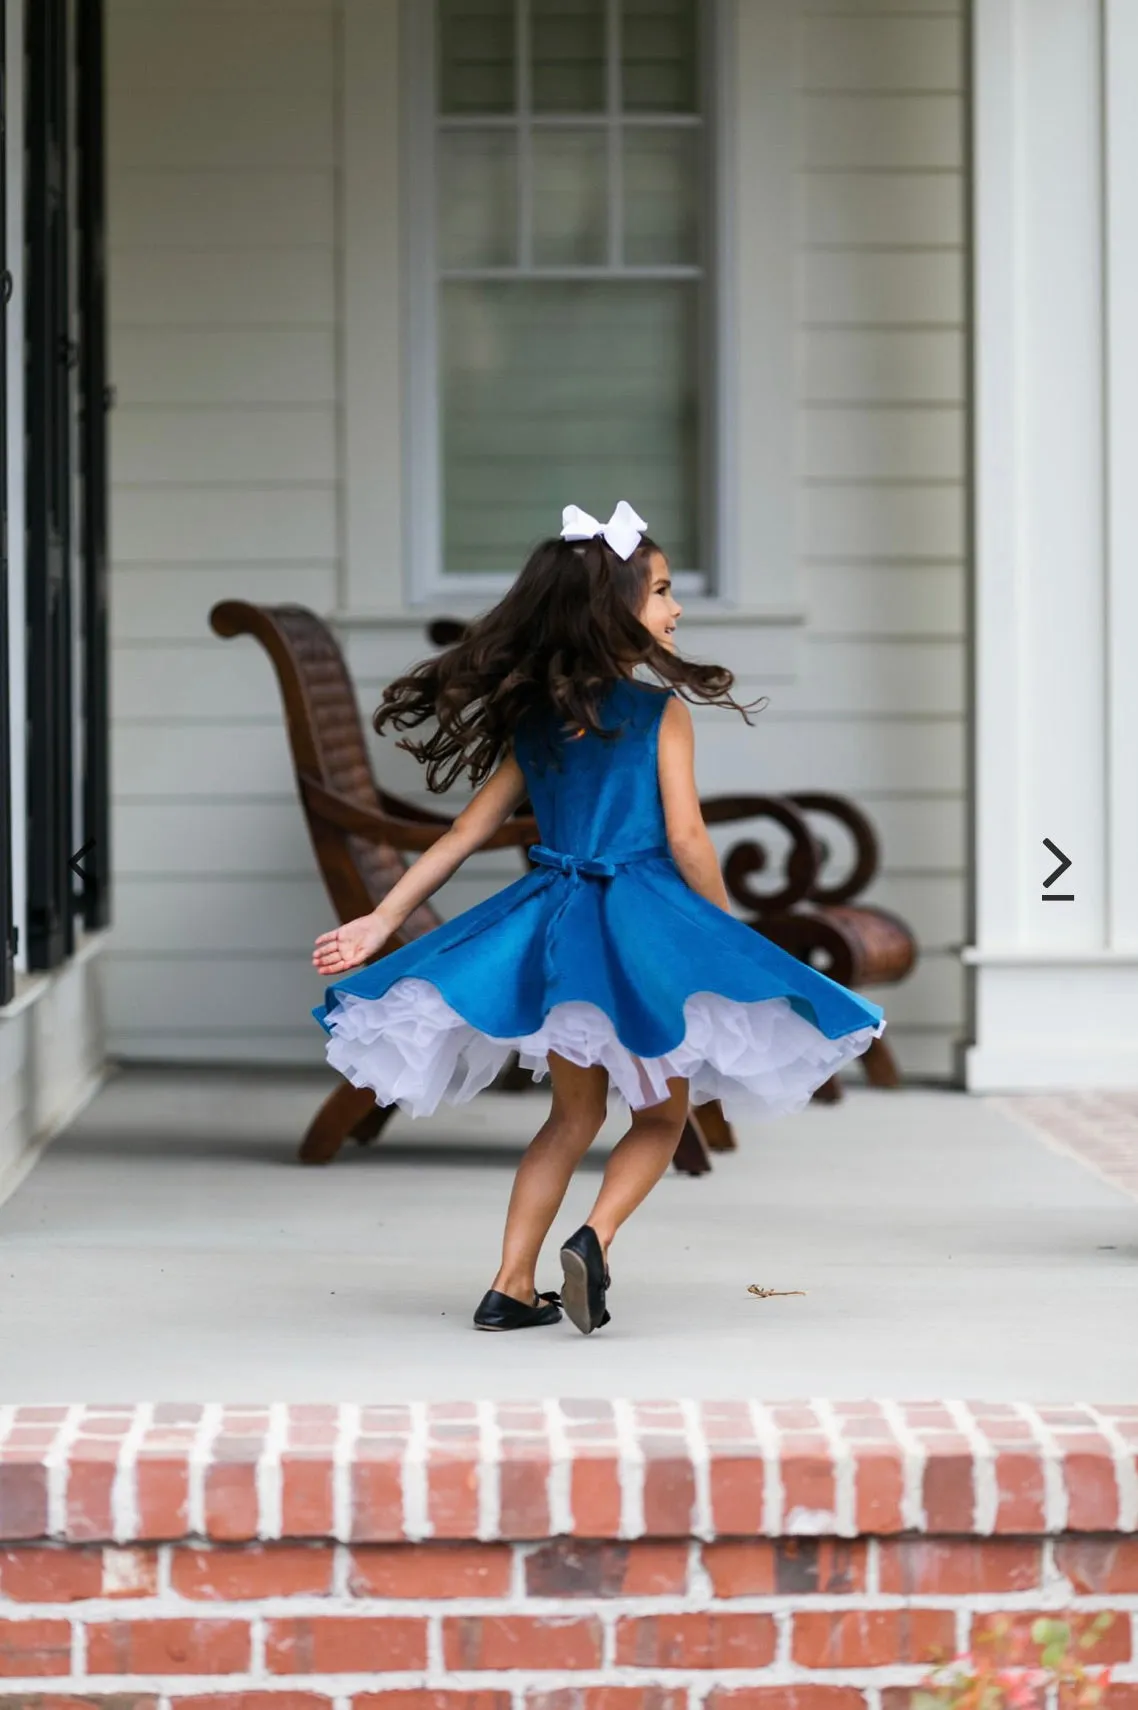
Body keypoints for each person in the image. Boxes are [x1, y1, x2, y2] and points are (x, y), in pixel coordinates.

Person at [311, 501, 886, 1337]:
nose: (674, 607)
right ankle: (597, 1236)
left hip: (558, 936)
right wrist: (723, 940)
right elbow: (687, 839)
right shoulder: (660, 715)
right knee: (659, 1116)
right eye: (659, 591)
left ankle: (510, 1284)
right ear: (615, 610)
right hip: (642, 941)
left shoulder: (538, 720)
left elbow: (467, 834)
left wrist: (380, 918)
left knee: (569, 1118)